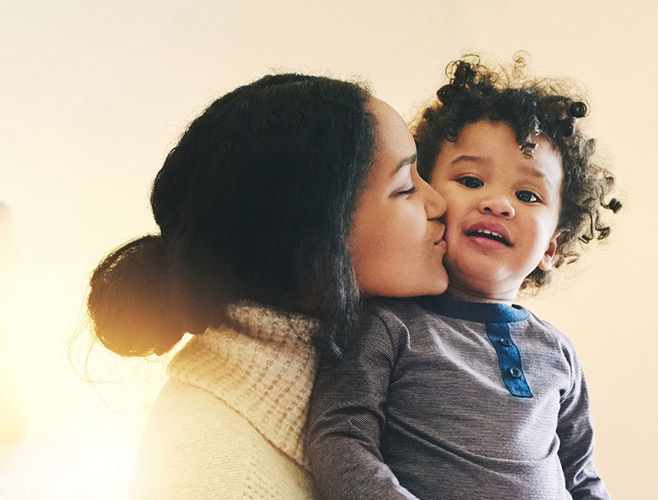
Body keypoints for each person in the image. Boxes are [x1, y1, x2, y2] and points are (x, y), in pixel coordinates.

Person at [86, 73, 449, 499]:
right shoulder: (226, 477)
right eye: (405, 187)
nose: (438, 202)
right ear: (314, 241)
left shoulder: (354, 387)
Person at [306, 56, 621, 500]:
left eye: (528, 195)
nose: (498, 203)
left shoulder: (558, 353)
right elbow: (340, 439)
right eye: (471, 180)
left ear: (552, 247)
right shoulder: (387, 327)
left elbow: (581, 475)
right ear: (428, 197)